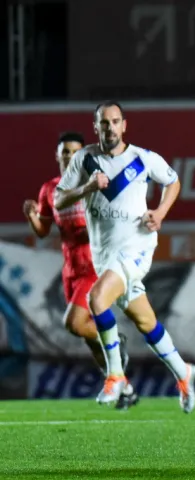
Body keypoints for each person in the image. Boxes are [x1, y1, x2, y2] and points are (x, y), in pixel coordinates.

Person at [54, 101, 195, 412]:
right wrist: (87, 187)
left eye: (115, 121)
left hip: (137, 248)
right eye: (103, 123)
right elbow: (59, 199)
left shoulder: (142, 159)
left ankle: (116, 375)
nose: (110, 128)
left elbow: (172, 181)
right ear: (96, 127)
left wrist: (159, 212)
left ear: (124, 125)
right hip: (105, 256)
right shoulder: (84, 159)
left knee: (96, 299)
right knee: (145, 321)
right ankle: (183, 372)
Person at [24, 131, 138, 410]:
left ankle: (115, 338)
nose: (69, 157)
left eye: (74, 152)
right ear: (57, 156)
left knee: (74, 324)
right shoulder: (50, 190)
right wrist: (31, 216)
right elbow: (42, 231)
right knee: (91, 343)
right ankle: (124, 388)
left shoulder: (94, 185)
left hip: (94, 266)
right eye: (64, 152)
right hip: (71, 270)